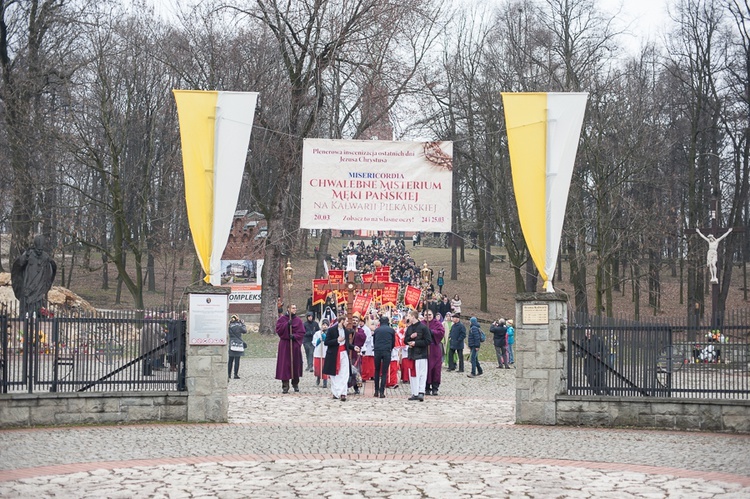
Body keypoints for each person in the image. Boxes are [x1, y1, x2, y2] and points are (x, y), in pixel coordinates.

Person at [11, 234, 57, 317]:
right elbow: (19, 264)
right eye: (38, 249)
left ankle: (39, 318)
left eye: (41, 249)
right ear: (35, 246)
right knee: (26, 304)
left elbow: (52, 268)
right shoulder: (28, 254)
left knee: (39, 305)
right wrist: (25, 256)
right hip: (28, 284)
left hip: (39, 287)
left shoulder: (45, 256)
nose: (39, 251)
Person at [323, 316, 358, 401]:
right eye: (346, 321)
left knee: (344, 374)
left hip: (344, 354)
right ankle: (336, 392)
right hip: (334, 354)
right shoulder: (331, 330)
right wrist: (336, 340)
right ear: (341, 321)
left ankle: (343, 393)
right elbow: (326, 342)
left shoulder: (346, 331)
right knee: (335, 375)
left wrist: (354, 347)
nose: (347, 323)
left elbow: (346, 344)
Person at [275, 304, 305, 393]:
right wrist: (287, 325)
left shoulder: (298, 320)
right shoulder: (282, 319)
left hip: (294, 344)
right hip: (285, 344)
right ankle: (285, 385)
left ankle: (295, 383)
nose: (294, 309)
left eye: (295, 308)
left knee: (295, 364)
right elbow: (279, 330)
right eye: (293, 308)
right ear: (288, 309)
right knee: (285, 365)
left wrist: (295, 336)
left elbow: (302, 332)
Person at [405, 309, 432, 401]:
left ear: (413, 317)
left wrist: (416, 343)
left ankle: (421, 392)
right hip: (412, 354)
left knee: (421, 374)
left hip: (421, 354)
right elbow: (405, 340)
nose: (408, 318)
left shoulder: (423, 328)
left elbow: (428, 341)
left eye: (409, 316)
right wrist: (410, 338)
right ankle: (414, 392)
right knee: (413, 375)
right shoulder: (409, 328)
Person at [372, 316, 396, 398]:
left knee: (377, 371)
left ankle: (376, 391)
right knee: (384, 372)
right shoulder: (391, 330)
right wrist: (389, 348)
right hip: (386, 351)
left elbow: (374, 341)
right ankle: (382, 392)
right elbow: (393, 343)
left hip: (377, 350)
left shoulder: (376, 330)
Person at [423, 310, 445, 396]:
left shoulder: (437, 323)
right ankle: (426, 387)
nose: (427, 316)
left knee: (436, 369)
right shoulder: (421, 323)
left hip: (435, 349)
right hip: (424, 349)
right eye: (426, 315)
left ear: (433, 315)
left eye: (429, 315)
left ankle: (435, 387)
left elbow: (441, 332)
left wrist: (432, 332)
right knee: (426, 369)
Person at [582, 328, 608, 395]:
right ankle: (599, 394)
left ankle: (609, 392)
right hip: (588, 363)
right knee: (590, 381)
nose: (588, 335)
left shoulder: (598, 340)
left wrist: (600, 355)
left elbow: (605, 350)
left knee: (600, 382)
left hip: (598, 363)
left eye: (589, 333)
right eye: (587, 333)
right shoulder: (584, 341)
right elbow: (581, 351)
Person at [227, 315, 247, 380]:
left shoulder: (229, 326)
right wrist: (243, 324)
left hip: (232, 343)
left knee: (230, 360)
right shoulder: (239, 326)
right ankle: (235, 374)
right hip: (238, 343)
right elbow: (245, 331)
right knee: (237, 360)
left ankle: (229, 374)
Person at [313, 318, 329, 388]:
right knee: (318, 367)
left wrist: (326, 339)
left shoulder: (329, 333)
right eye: (323, 325)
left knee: (325, 367)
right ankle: (318, 377)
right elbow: (314, 342)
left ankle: (325, 381)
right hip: (318, 353)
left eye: (326, 325)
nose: (324, 326)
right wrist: (319, 340)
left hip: (325, 353)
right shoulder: (317, 333)